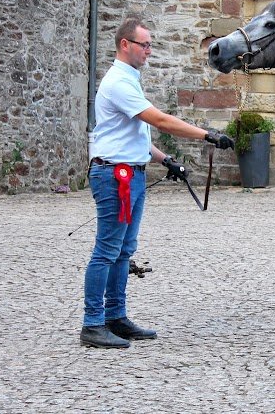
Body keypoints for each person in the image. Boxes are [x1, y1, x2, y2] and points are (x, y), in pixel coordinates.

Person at [81, 17, 234, 349]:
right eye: (144, 45)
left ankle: (115, 317)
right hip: (115, 176)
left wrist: (165, 160)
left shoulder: (130, 79)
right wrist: (207, 134)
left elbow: (135, 134)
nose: (149, 51)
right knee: (107, 251)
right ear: (126, 45)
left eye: (150, 45)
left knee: (123, 250)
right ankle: (92, 323)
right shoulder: (119, 81)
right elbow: (160, 121)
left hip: (128, 172)